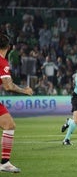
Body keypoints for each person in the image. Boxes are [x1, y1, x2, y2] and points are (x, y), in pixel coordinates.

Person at [0, 34, 33, 173]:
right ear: (9, 47)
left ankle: (5, 163)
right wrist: (24, 91)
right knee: (9, 125)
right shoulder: (2, 62)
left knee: (9, 124)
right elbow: (8, 86)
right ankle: (5, 162)